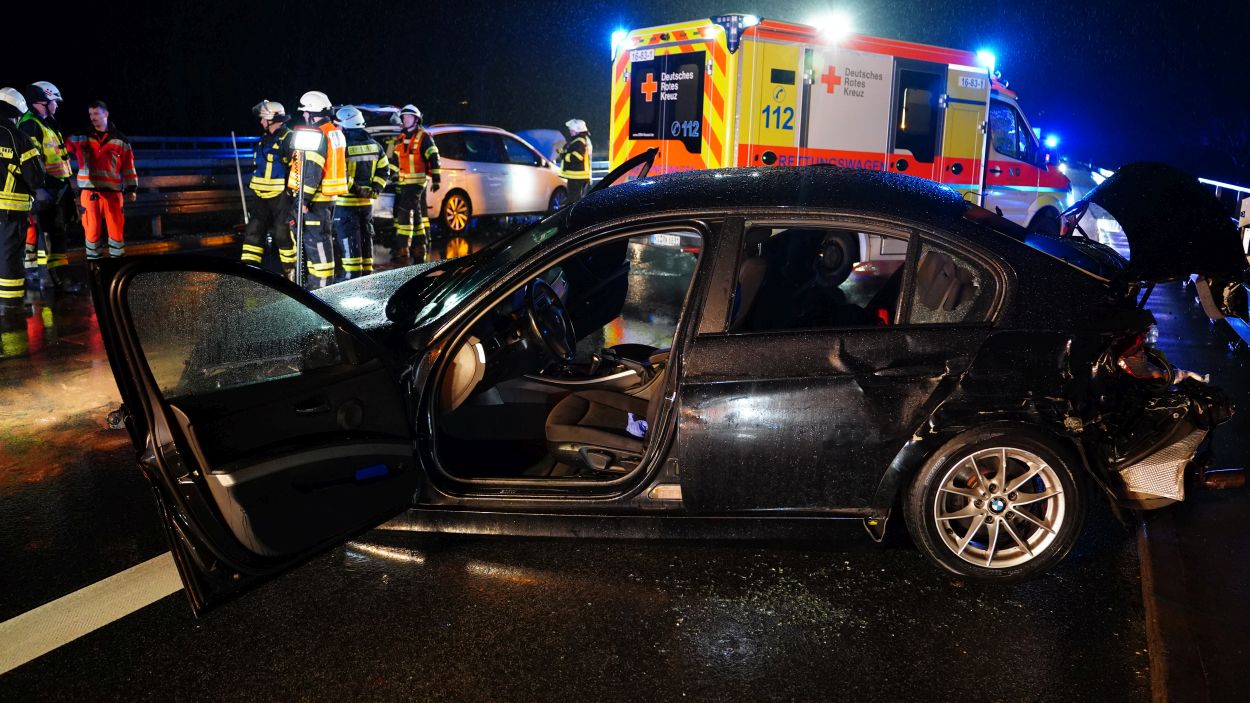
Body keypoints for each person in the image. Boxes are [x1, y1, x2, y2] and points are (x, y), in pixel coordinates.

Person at [286, 91, 347, 288]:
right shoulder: (334, 132)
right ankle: (319, 286)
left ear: (313, 113)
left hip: (315, 200)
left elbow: (312, 170)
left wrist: (303, 199)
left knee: (317, 245)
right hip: (326, 198)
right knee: (320, 244)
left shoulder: (319, 134)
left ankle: (320, 289)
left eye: (305, 112)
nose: (304, 115)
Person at [65, 101, 138, 260]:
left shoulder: (121, 140)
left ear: (106, 114)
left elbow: (129, 166)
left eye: (96, 113)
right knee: (91, 234)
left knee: (116, 234)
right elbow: (60, 148)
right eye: (90, 114)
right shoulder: (80, 137)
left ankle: (117, 268)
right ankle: (94, 268)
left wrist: (132, 188)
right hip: (89, 193)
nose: (93, 117)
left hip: (113, 194)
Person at [17, 82, 72, 290]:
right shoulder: (31, 125)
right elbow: (33, 162)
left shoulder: (46, 123)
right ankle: (59, 281)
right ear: (42, 102)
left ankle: (57, 279)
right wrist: (42, 189)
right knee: (52, 236)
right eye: (54, 101)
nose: (56, 106)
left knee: (56, 235)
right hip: (46, 191)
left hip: (56, 189)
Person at [0, 88, 45, 315]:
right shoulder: (18, 137)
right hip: (10, 207)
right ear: (16, 113)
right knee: (10, 255)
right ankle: (11, 304)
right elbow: (35, 178)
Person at [240, 100, 295, 276]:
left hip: (282, 195)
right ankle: (249, 272)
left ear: (273, 119)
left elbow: (296, 167)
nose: (261, 121)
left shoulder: (289, 139)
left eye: (264, 118)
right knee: (253, 233)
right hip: (259, 195)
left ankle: (291, 272)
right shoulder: (263, 139)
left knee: (282, 234)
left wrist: (292, 192)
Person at [333, 106, 389, 280]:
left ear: (345, 125)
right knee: (366, 240)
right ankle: (366, 279)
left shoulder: (342, 147)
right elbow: (384, 170)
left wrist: (356, 188)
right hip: (366, 205)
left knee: (349, 244)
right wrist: (375, 190)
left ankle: (351, 280)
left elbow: (339, 173)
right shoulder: (375, 145)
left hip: (345, 205)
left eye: (337, 125)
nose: (336, 128)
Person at [390, 104, 440, 265]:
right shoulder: (400, 137)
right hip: (404, 182)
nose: (405, 119)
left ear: (416, 119)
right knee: (416, 213)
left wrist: (436, 178)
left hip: (418, 182)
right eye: (404, 117)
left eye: (408, 117)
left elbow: (434, 157)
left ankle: (403, 247)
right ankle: (420, 244)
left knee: (404, 212)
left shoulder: (424, 137)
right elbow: (396, 160)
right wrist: (390, 174)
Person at [557, 118, 592, 202]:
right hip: (577, 176)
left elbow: (577, 157)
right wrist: (562, 152)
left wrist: (564, 156)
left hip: (576, 176)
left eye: (572, 130)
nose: (570, 131)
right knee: (575, 199)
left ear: (577, 130)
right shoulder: (580, 140)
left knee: (574, 200)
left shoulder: (579, 141)